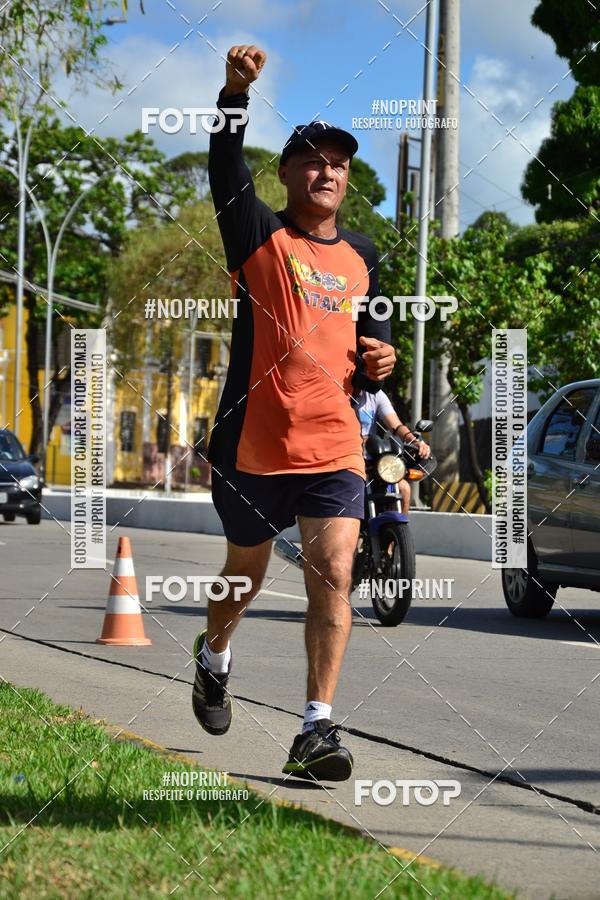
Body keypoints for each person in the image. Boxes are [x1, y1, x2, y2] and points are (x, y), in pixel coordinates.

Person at [192, 44, 396, 783]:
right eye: (311, 160)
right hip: (253, 447)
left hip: (335, 447)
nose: (327, 171)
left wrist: (384, 358)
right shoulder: (257, 235)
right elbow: (224, 166)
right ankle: (214, 656)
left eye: (338, 161)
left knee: (333, 572)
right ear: (287, 174)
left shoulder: (364, 255)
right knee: (243, 574)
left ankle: (316, 728)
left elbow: (375, 336)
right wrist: (233, 95)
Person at [354, 388, 431, 514]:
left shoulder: (376, 395)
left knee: (404, 489)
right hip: (347, 460)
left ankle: (400, 531)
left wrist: (415, 442)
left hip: (374, 463)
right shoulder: (339, 395)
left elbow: (396, 426)